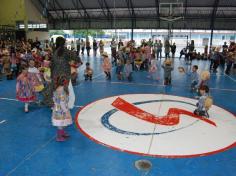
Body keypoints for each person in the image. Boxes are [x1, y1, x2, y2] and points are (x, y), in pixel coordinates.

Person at [52, 76, 72, 142]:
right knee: (60, 123)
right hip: (61, 110)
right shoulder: (62, 91)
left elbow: (54, 99)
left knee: (62, 122)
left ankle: (62, 133)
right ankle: (59, 136)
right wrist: (66, 111)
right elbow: (62, 102)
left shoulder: (56, 89)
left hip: (57, 108)